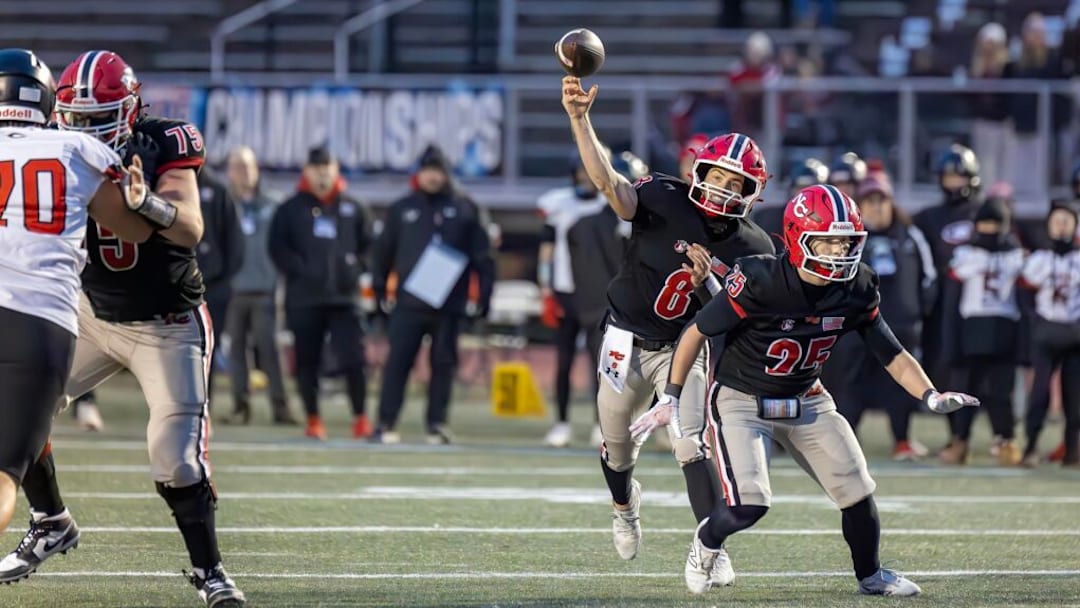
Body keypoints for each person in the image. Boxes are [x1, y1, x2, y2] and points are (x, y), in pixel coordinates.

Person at [630, 184, 979, 595]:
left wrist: (930, 395)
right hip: (742, 398)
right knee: (749, 504)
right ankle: (707, 543)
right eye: (828, 241)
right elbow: (695, 331)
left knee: (857, 491)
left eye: (846, 242)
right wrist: (671, 394)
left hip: (806, 397)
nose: (838, 251)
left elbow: (891, 352)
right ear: (799, 239)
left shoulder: (857, 286)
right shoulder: (762, 279)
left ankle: (870, 575)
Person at [0, 50, 247, 606]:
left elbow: (189, 229)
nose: (87, 128)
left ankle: (210, 571)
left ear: (130, 109)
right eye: (77, 117)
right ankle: (50, 521)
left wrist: (148, 203)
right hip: (90, 314)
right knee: (22, 408)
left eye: (98, 117)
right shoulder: (51, 145)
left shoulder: (165, 141)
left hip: (166, 323)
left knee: (175, 456)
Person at [562, 75, 775, 569]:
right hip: (625, 337)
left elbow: (738, 314)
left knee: (690, 442)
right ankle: (624, 506)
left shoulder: (753, 247)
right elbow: (608, 184)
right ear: (698, 170)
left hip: (684, 347)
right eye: (717, 176)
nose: (723, 188)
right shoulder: (662, 196)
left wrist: (709, 285)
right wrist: (580, 118)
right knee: (617, 446)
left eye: (735, 182)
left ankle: (710, 546)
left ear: (752, 192)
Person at [0, 47, 151, 542]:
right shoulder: (76, 149)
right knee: (3, 474)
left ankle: (53, 518)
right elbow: (133, 230)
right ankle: (52, 518)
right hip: (39, 320)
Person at [371, 145, 495, 444]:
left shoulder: (466, 208)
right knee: (398, 363)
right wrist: (378, 292)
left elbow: (483, 257)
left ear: (446, 173)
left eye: (438, 171)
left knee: (443, 364)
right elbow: (382, 254)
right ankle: (386, 422)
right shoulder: (402, 208)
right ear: (419, 173)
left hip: (449, 304)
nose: (432, 177)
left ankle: (437, 423)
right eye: (427, 171)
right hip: (409, 303)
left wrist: (484, 298)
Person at [269, 145, 372, 441]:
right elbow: (277, 248)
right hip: (304, 299)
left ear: (336, 169)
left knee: (354, 358)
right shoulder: (290, 209)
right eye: (316, 167)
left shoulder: (354, 206)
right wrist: (300, 269)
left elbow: (369, 247)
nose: (322, 172)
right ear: (307, 171)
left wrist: (355, 267)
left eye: (327, 166)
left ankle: (361, 417)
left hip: (345, 298)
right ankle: (313, 418)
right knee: (307, 361)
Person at [832, 173, 937, 460]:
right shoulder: (848, 239)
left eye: (881, 201)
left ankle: (902, 441)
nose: (876, 207)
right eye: (869, 201)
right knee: (852, 386)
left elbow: (929, 278)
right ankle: (847, 443)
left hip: (901, 326)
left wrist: (918, 312)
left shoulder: (910, 234)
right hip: (857, 327)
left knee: (900, 388)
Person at [565, 151, 646, 448]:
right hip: (607, 313)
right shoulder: (584, 226)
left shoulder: (650, 226)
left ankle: (646, 428)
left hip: (644, 315)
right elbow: (585, 272)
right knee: (607, 375)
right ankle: (605, 427)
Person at [940, 198, 1025, 466]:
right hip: (971, 329)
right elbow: (953, 302)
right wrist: (951, 341)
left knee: (1001, 392)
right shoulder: (966, 256)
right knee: (963, 390)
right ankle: (960, 440)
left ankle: (1005, 441)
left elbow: (1024, 302)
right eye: (985, 223)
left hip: (1004, 328)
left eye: (994, 224)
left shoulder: (1016, 256)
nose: (989, 229)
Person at [913, 144, 981, 446]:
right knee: (943, 366)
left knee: (982, 372)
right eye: (949, 177)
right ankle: (955, 435)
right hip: (942, 305)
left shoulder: (985, 212)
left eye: (959, 177)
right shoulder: (928, 217)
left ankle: (990, 437)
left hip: (979, 306)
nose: (954, 183)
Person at [537, 153, 606, 447]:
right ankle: (562, 421)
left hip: (599, 291)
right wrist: (545, 288)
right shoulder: (559, 204)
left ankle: (601, 424)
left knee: (601, 366)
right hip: (565, 290)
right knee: (564, 362)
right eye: (582, 172)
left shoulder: (609, 205)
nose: (586, 178)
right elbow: (547, 248)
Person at [224, 145, 295, 425]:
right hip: (233, 289)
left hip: (265, 289)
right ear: (229, 171)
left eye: (248, 166)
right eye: (238, 166)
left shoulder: (274, 204)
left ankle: (281, 406)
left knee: (269, 351)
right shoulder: (225, 204)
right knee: (235, 351)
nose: (244, 172)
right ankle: (240, 405)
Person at [1019, 201, 1080, 467]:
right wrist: (1035, 323)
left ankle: (1072, 450)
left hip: (1075, 336)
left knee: (1075, 398)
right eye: (1057, 220)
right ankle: (1031, 446)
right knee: (1039, 395)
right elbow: (1023, 294)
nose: (1062, 225)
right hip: (1046, 333)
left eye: (1067, 220)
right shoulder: (1039, 260)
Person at [195, 165, 244, 401]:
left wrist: (222, 279)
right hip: (173, 286)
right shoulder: (165, 185)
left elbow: (234, 243)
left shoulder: (217, 191)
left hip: (212, 287)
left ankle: (205, 403)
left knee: (207, 349)